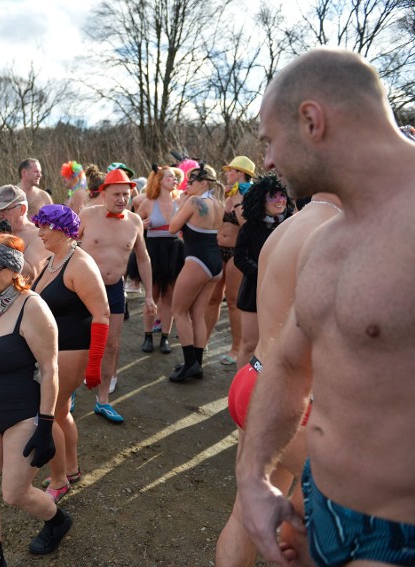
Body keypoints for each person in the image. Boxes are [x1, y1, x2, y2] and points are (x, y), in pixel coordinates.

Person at [236, 47, 415, 566]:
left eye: (270, 141)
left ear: (311, 120)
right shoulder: (327, 242)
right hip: (320, 508)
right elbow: (290, 365)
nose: (267, 161)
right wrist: (254, 478)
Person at [216, 192, 342, 566]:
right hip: (296, 400)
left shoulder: (289, 225)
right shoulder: (337, 231)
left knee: (245, 511)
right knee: (338, 529)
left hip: (254, 380)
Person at [0, 233, 72, 565]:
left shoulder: (33, 308)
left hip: (23, 414)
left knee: (14, 494)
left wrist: (46, 424)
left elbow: (50, 369)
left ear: (14, 271)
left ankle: (57, 521)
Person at [31, 205, 109, 501]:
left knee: (46, 415)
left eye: (44, 227)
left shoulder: (80, 265)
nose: (39, 232)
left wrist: (94, 366)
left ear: (63, 230)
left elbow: (102, 315)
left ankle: (58, 480)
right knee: (61, 412)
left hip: (72, 349)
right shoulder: (53, 259)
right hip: (52, 348)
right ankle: (71, 468)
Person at [78, 168, 157, 421]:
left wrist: (148, 295)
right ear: (103, 194)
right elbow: (68, 248)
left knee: (111, 344)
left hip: (114, 289)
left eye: (126, 194)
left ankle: (103, 399)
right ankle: (68, 392)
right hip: (83, 286)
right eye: (116, 194)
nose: (122, 199)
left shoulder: (134, 222)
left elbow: (143, 259)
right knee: (77, 341)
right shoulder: (87, 216)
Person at [168, 163, 225, 382]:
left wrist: (181, 202)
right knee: (197, 314)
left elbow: (173, 228)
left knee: (179, 311)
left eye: (191, 181)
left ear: (203, 182)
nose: (187, 184)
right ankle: (196, 364)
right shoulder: (218, 203)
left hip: (197, 261)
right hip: (215, 263)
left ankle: (190, 363)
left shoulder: (194, 201)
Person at [232, 174, 295, 369]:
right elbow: (240, 258)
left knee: (280, 347)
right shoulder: (249, 228)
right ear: (261, 200)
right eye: (272, 196)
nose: (279, 200)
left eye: (282, 195)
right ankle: (240, 392)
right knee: (250, 344)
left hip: (286, 294)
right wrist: (264, 275)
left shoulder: (293, 225)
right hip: (254, 292)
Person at [204, 156, 255, 367]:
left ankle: (236, 348)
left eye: (231, 171)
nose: (227, 174)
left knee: (233, 301)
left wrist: (237, 203)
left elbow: (248, 227)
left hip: (236, 253)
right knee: (213, 298)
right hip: (218, 250)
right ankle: (202, 340)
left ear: (241, 173)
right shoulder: (226, 194)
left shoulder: (249, 197)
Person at [135, 165, 184, 354]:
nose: (175, 180)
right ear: (160, 181)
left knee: (169, 296)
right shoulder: (148, 202)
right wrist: (142, 225)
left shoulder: (180, 201)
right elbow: (133, 224)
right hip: (154, 251)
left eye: (175, 177)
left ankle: (165, 338)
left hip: (174, 251)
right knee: (152, 295)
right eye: (170, 177)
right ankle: (148, 336)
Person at [0, 184, 51, 281]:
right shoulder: (2, 230)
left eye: (4, 210)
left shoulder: (37, 235)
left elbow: (30, 276)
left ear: (22, 209)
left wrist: (7, 243)